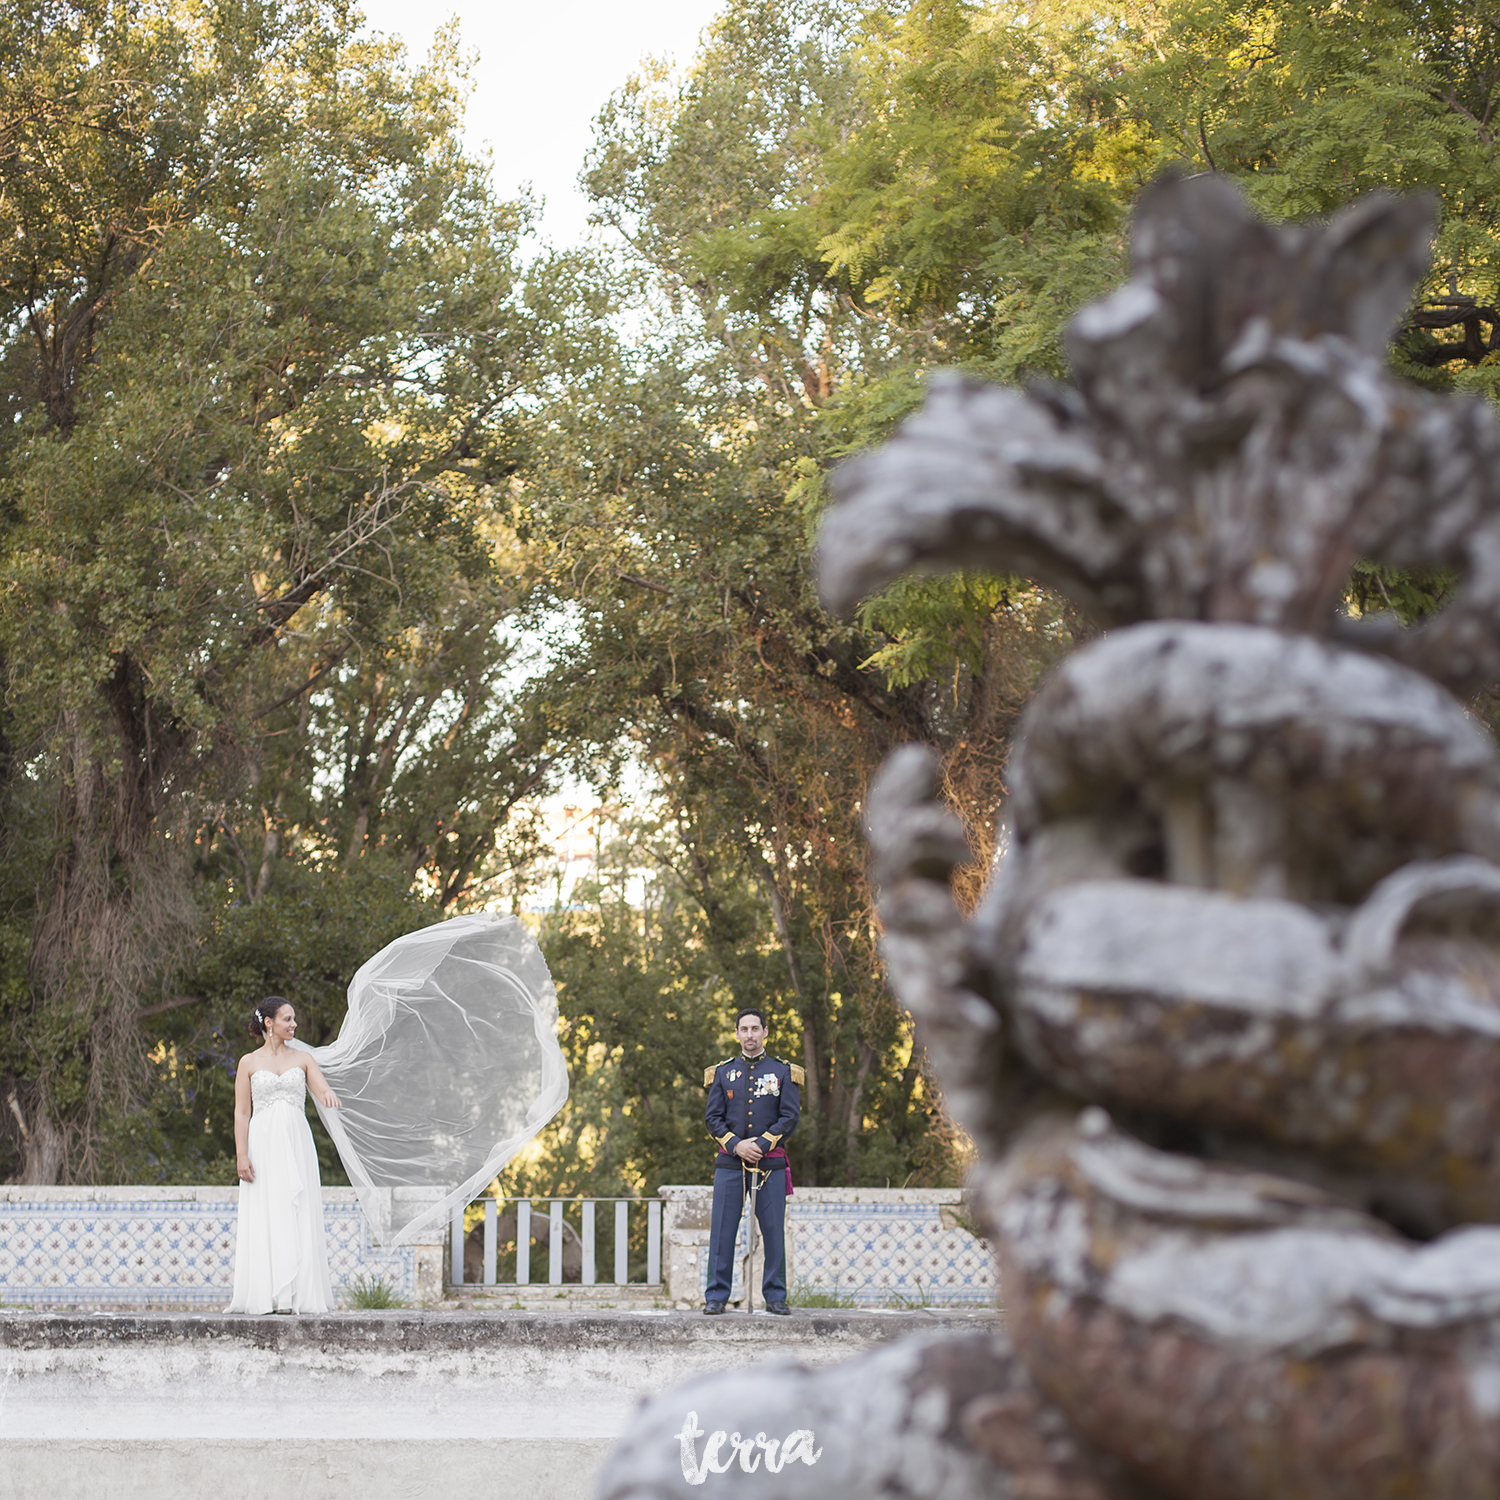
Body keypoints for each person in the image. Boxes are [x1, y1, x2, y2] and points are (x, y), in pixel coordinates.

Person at [226, 996, 341, 1314]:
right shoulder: (248, 1063)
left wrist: (328, 1093)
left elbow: (321, 1089)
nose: (294, 1025)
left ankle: (297, 1295)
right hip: (262, 1144)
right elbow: (241, 1111)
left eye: (294, 1019)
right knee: (267, 1211)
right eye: (287, 1019)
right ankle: (268, 1295)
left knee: (297, 1210)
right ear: (269, 1023)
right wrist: (241, 1154)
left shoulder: (303, 1058)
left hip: (295, 1142)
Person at [702, 1007, 803, 1315]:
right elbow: (712, 1118)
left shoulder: (783, 1071)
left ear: (765, 1032)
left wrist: (759, 1145)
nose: (749, 1034)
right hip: (730, 1164)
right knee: (722, 1230)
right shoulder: (722, 1072)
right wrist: (736, 1145)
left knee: (773, 1232)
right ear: (736, 1034)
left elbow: (790, 1116)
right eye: (743, 1029)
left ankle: (775, 1296)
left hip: (768, 1164)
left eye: (755, 1029)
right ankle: (716, 1296)